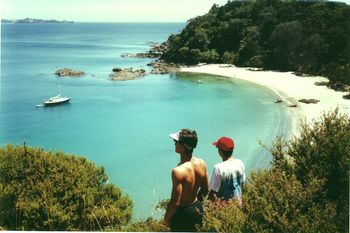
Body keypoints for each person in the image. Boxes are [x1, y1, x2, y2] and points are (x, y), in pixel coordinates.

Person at [164, 128, 209, 232]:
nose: (174, 144)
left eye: (176, 142)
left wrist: (166, 219)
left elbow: (175, 202)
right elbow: (205, 190)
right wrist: (195, 204)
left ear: (184, 147)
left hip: (182, 214)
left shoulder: (178, 171)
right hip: (197, 208)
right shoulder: (202, 163)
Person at [208, 136, 246, 205]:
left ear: (220, 152)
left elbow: (213, 193)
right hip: (238, 204)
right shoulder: (240, 163)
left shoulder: (218, 168)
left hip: (224, 209)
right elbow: (242, 185)